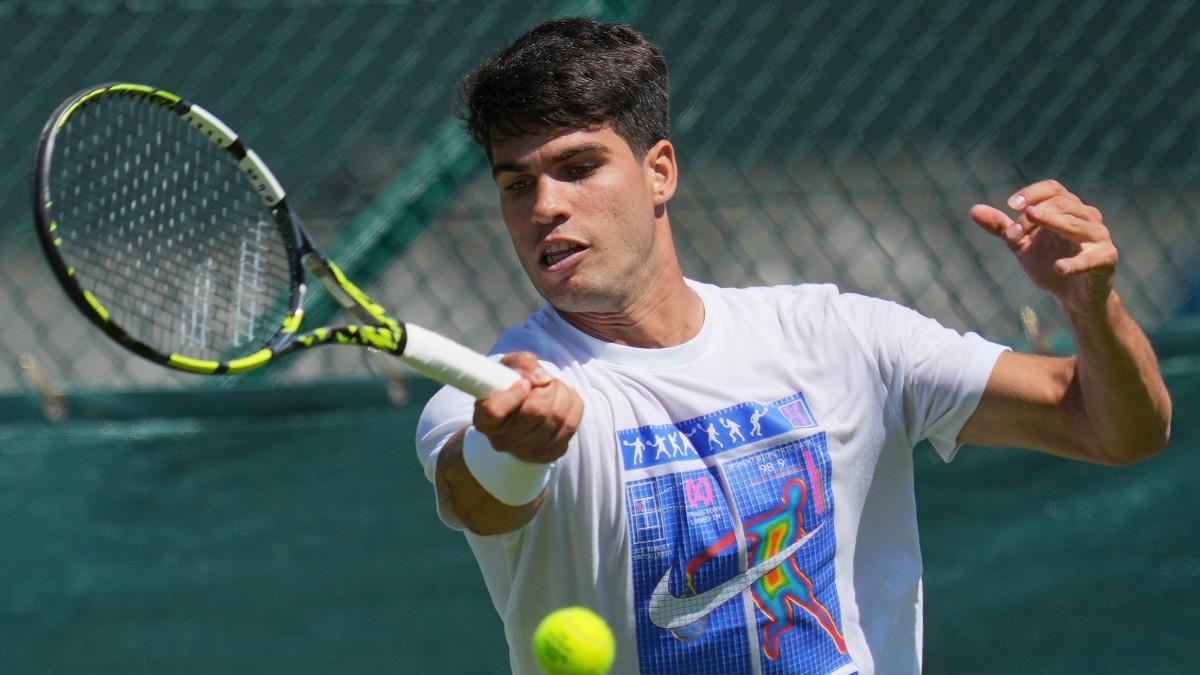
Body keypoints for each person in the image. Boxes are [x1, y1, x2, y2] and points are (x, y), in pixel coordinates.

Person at [415, 16, 1172, 675]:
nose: (546, 205)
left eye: (578, 167)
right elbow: (475, 497)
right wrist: (512, 447)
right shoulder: (493, 397)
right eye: (517, 185)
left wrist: (1090, 307)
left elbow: (1114, 428)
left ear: (659, 172)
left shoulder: (841, 337)